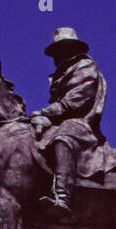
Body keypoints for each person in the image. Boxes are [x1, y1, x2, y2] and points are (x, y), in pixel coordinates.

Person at [30, 27, 107, 214]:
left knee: (63, 139)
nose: (56, 56)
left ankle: (63, 199)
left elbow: (75, 101)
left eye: (60, 49)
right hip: (60, 121)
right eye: (54, 51)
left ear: (70, 48)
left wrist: (44, 112)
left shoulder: (85, 67)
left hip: (81, 122)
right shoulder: (59, 75)